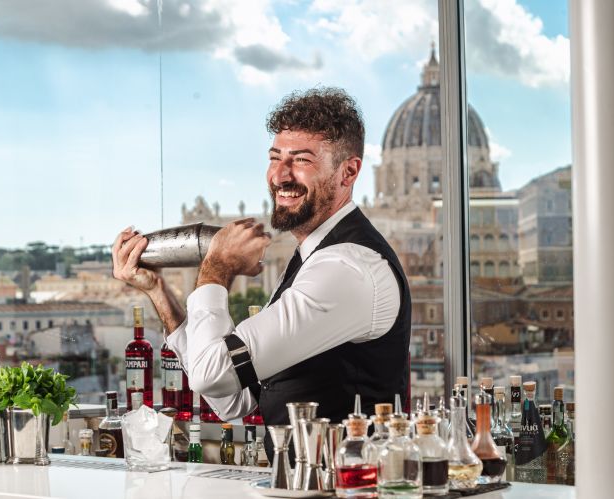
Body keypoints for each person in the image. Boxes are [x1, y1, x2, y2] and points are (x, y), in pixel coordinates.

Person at [112, 87, 411, 460]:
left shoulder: (346, 269)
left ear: (348, 172)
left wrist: (218, 267)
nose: (281, 175)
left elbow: (211, 373)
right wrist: (158, 291)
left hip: (348, 486)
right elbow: (231, 398)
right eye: (275, 158)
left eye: (301, 160)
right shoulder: (313, 259)